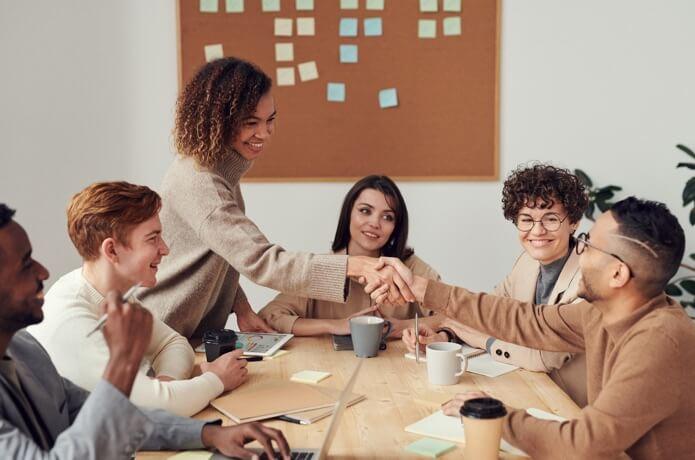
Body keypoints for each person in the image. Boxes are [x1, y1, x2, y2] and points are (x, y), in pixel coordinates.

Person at [378, 197, 695, 459]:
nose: (578, 250)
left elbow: (584, 444)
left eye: (586, 244)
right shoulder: (601, 314)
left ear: (617, 275)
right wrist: (425, 290)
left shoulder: (660, 341)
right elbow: (527, 320)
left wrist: (497, 416)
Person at [138, 57, 414, 338]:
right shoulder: (201, 182)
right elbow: (262, 261)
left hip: (186, 336)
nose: (264, 133)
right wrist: (354, 265)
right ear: (218, 121)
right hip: (160, 335)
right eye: (251, 123)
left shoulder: (219, 172)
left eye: (270, 120)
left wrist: (242, 308)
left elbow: (225, 253)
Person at [0, 203, 291, 459]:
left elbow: (113, 416)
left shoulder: (24, 348)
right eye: (26, 264)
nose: (43, 272)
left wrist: (208, 435)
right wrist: (123, 362)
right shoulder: (69, 318)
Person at [29, 182, 248, 417]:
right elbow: (157, 409)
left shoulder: (112, 293)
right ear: (112, 251)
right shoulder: (71, 321)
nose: (165, 249)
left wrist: (165, 386)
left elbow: (173, 344)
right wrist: (215, 380)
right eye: (153, 238)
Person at [402, 164, 589, 405]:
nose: (537, 230)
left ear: (573, 222)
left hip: (571, 407)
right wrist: (445, 336)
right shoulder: (527, 262)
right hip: (528, 391)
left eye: (551, 219)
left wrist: (484, 341)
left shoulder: (589, 277)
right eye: (526, 220)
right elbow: (487, 314)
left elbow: (542, 357)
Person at [258, 175, 440, 337]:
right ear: (348, 214)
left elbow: (455, 318)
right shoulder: (323, 269)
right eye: (365, 211)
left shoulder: (412, 268)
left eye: (387, 217)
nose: (375, 223)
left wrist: (401, 327)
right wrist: (336, 325)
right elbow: (269, 317)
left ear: (396, 227)